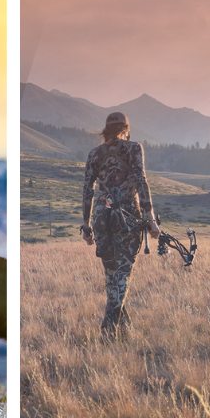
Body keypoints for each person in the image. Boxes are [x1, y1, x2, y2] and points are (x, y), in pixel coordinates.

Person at [82, 112, 160, 341]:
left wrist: (86, 225)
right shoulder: (134, 148)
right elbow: (141, 180)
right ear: (125, 128)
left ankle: (123, 331)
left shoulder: (94, 153)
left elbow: (88, 189)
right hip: (127, 217)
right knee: (123, 274)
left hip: (101, 218)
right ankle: (107, 330)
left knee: (111, 275)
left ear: (105, 131)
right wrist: (151, 218)